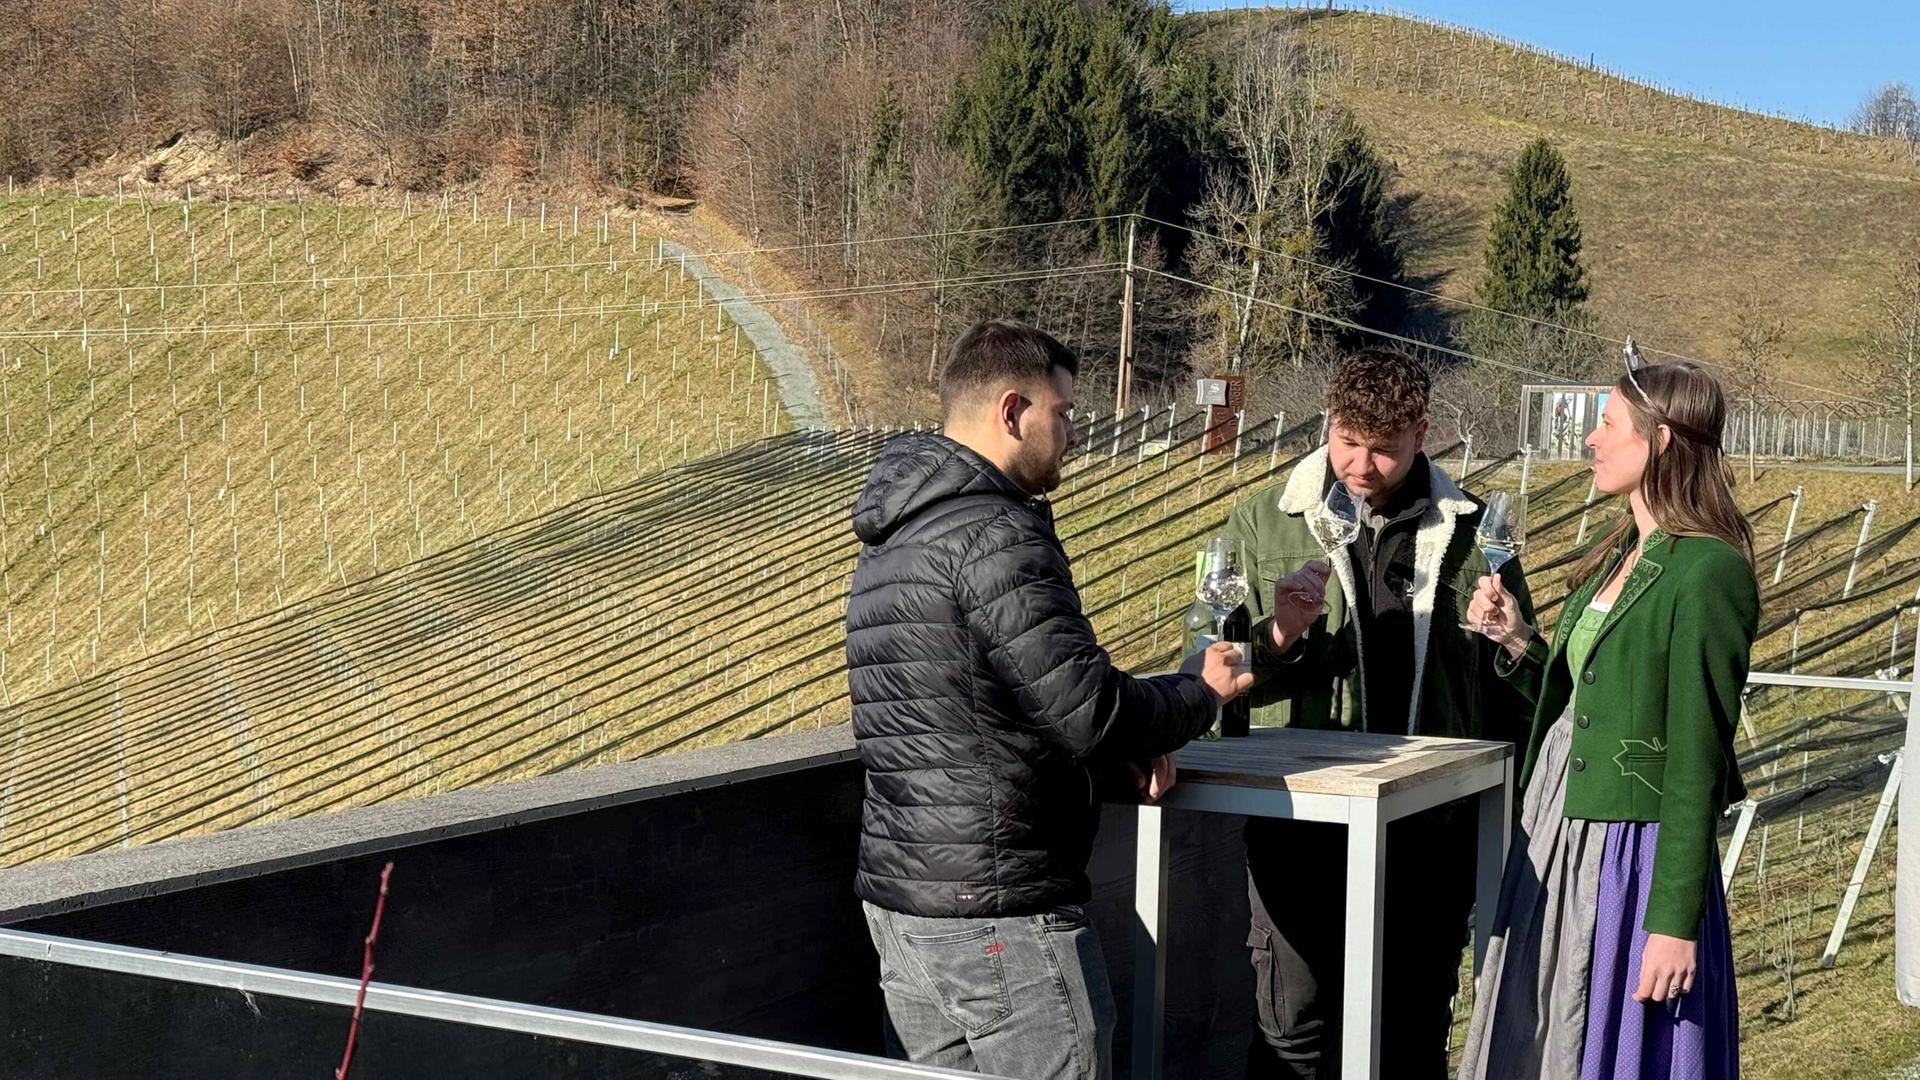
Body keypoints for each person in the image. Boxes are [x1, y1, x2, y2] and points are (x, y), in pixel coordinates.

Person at [845, 318, 1252, 1080]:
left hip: (907, 906)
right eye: (1062, 413)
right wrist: (1201, 689)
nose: (1071, 434)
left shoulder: (894, 533)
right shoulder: (995, 534)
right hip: (999, 913)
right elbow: (1089, 711)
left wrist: (1117, 759)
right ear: (1011, 411)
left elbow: (977, 717)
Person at [1221, 346, 1537, 1079]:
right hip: (1298, 821)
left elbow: (1519, 693)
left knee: (1411, 1031)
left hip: (1434, 830)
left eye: (1383, 450)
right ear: (1329, 424)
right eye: (1347, 442)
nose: (1360, 466)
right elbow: (1213, 676)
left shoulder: (1479, 534)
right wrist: (1278, 638)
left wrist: (1509, 640)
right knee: (1291, 1028)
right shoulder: (1263, 522)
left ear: (1422, 434)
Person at [1460, 361, 1755, 1079]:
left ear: (1659, 441)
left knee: (1606, 1035)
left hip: (1630, 850)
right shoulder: (1626, 552)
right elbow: (1587, 702)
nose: (1590, 440)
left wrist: (1672, 923)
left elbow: (1697, 758)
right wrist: (1519, 641)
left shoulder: (1707, 571)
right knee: (1541, 1033)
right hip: (1560, 827)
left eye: (1608, 425)